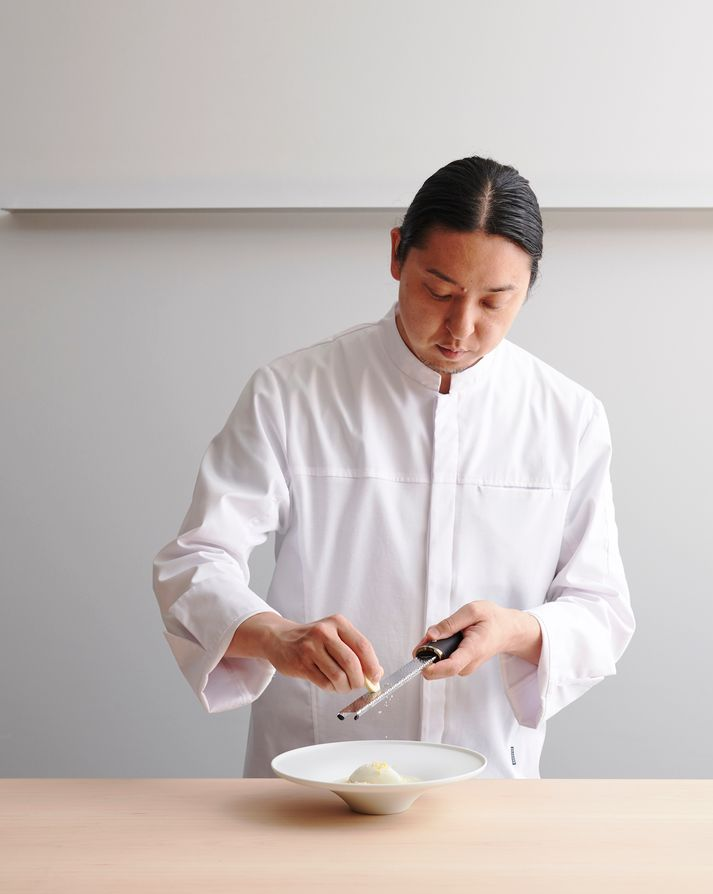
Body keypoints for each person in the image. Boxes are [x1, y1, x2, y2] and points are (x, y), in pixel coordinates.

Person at [152, 156, 635, 779]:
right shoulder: (292, 393)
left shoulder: (568, 417)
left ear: (529, 286)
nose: (462, 327)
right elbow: (195, 561)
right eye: (440, 291)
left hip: (487, 776)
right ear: (396, 256)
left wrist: (516, 629)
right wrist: (275, 635)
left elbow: (600, 608)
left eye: (495, 300)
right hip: (311, 775)